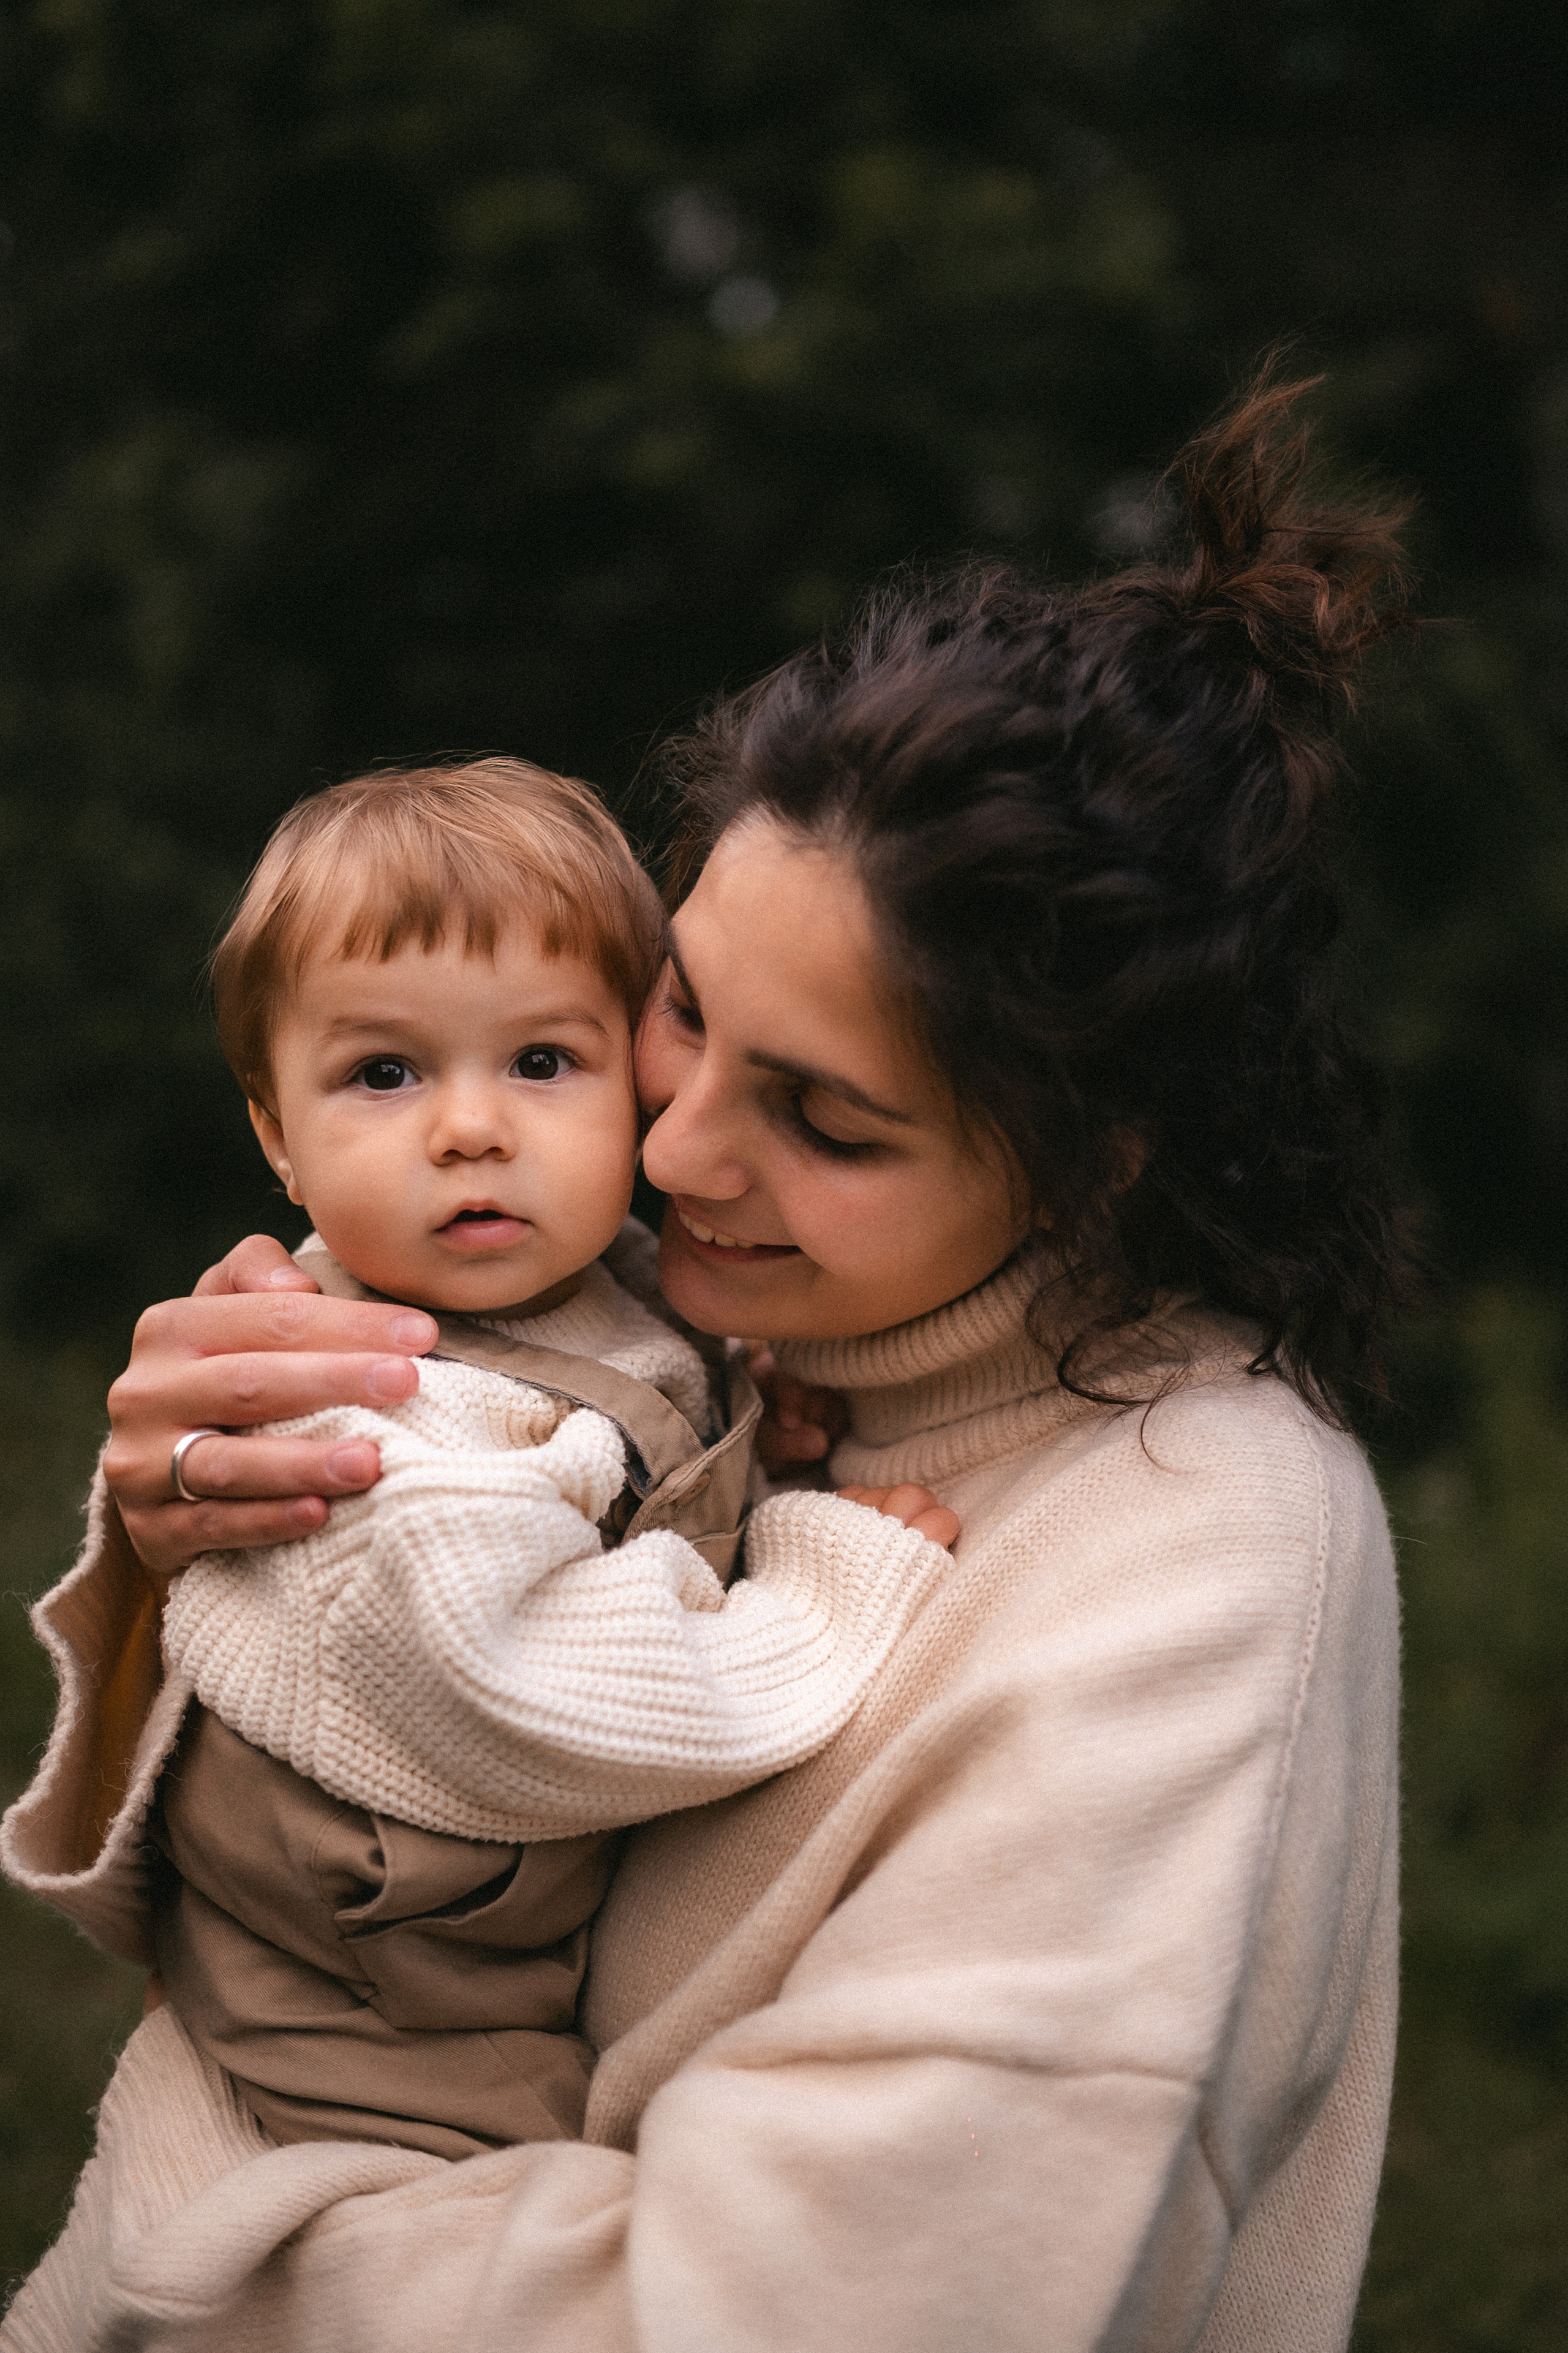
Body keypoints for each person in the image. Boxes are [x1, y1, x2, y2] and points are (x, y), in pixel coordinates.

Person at [1, 372, 1408, 2353]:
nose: (670, 1153)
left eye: (825, 1120)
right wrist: (213, 1529)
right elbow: (309, 1872)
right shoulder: (686, 1320)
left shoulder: (1195, 1572)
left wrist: (211, 2217)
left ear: (1096, 1156)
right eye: (677, 1003)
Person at [6, 755, 957, 2167]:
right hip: (387, 1978)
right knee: (502, 2218)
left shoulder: (611, 1287)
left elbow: (628, 1421)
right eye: (383, 1073)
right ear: (275, 1128)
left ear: (634, 1076)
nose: (469, 1126)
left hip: (463, 1900)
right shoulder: (369, 1410)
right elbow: (525, 1680)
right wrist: (821, 1588)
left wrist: (753, 1427)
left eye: (541, 1061)